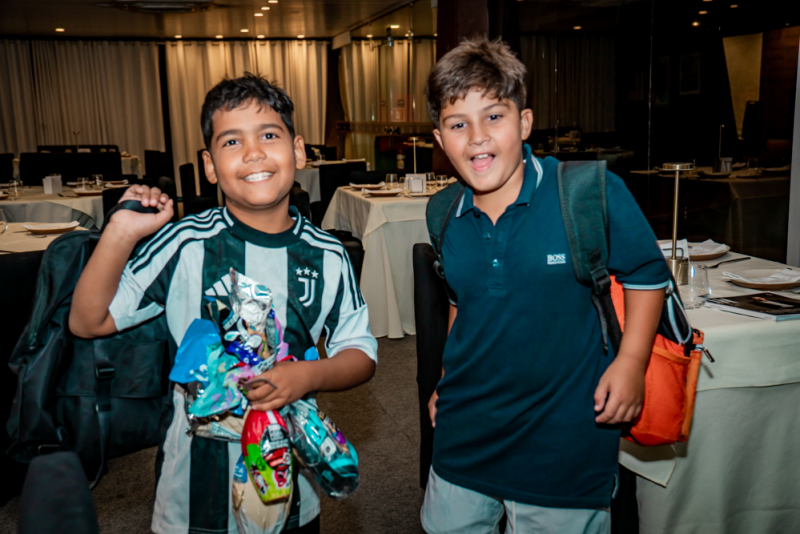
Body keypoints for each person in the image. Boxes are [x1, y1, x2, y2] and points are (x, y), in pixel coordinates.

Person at [69, 73, 377, 534]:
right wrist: (120, 232)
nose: (253, 153)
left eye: (269, 135)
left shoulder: (328, 255)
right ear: (210, 166)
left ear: (298, 151)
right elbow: (87, 320)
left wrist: (308, 375)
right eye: (232, 141)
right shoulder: (185, 244)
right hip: (192, 491)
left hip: (290, 481)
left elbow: (360, 353)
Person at [421, 39, 671, 534]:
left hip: (563, 438)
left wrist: (631, 362)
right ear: (440, 139)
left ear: (525, 122)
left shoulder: (587, 193)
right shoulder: (443, 212)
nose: (477, 138)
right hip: (465, 430)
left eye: (494, 117)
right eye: (457, 124)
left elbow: (647, 274)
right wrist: (446, 378)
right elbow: (460, 301)